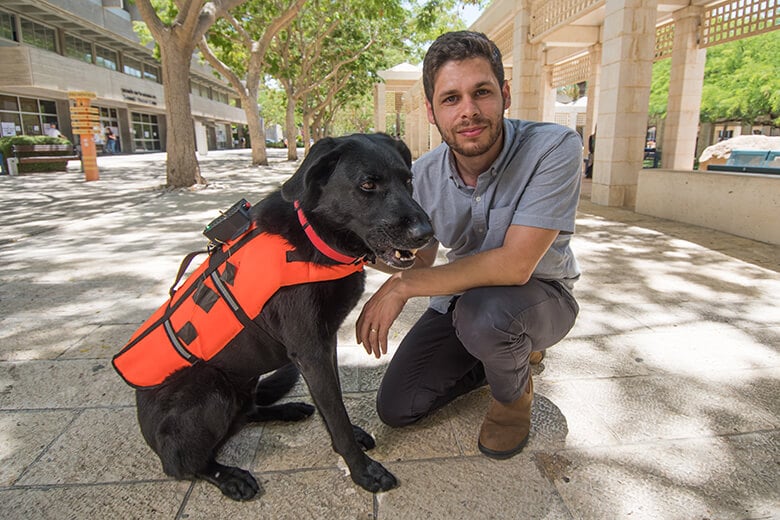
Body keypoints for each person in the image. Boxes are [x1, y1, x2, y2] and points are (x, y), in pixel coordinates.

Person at [356, 31, 581, 460]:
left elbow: (516, 265)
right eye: (451, 99)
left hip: (543, 296)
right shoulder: (420, 174)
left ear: (505, 94)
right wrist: (363, 250)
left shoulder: (553, 147)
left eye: (481, 92)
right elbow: (419, 260)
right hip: (463, 304)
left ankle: (513, 398)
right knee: (398, 407)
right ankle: (506, 358)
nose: (469, 111)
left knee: (486, 314)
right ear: (431, 111)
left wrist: (403, 288)